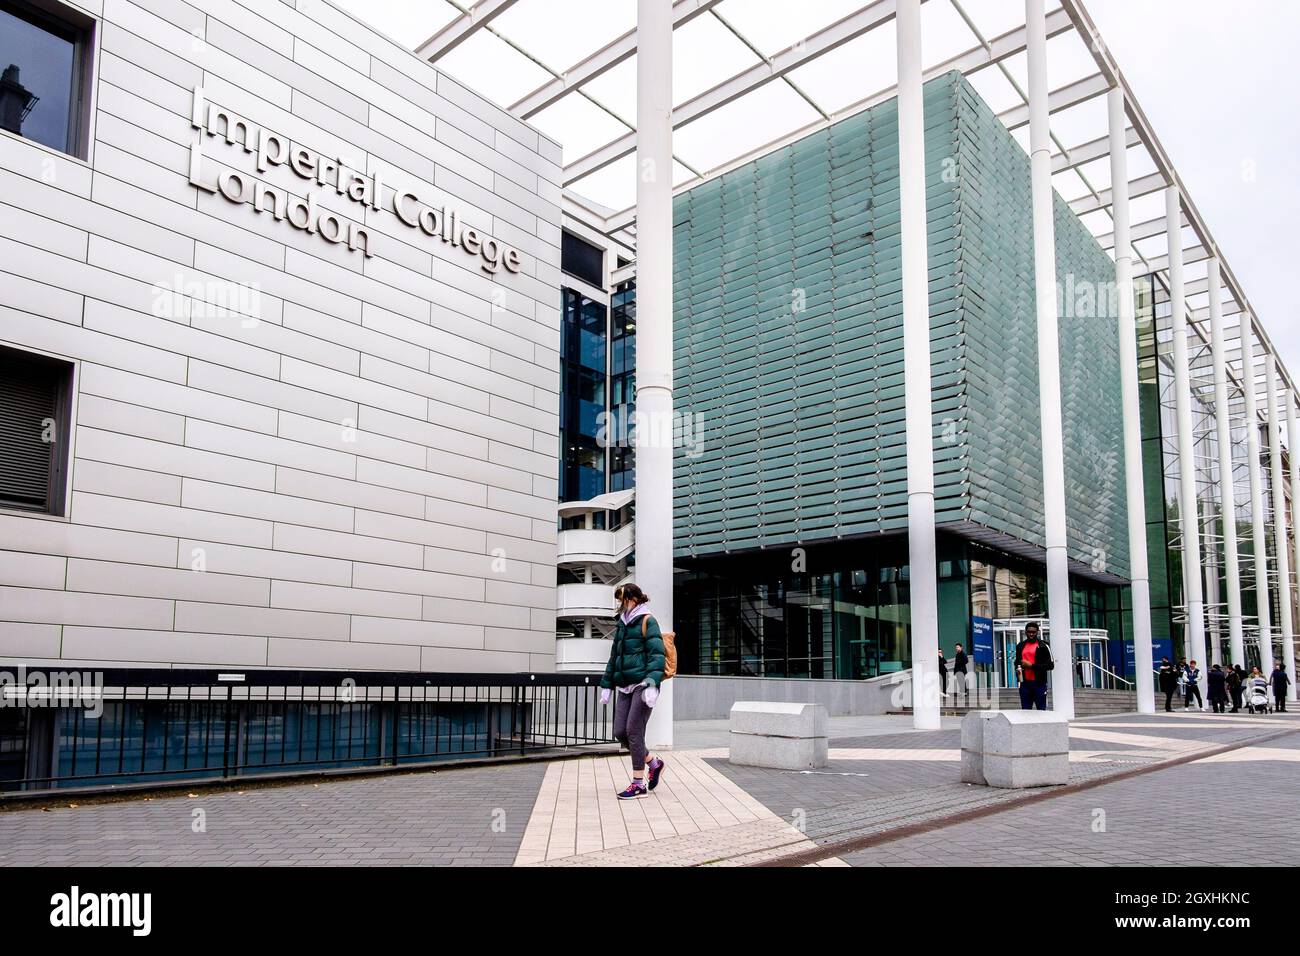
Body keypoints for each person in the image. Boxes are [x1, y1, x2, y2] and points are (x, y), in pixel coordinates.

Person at [598, 583, 666, 799]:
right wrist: (607, 685)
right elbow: (614, 657)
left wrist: (652, 683)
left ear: (634, 599)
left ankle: (638, 784)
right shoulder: (623, 624)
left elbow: (657, 655)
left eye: (623, 599)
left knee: (634, 731)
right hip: (625, 686)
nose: (621, 604)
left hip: (643, 685)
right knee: (620, 732)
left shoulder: (648, 621)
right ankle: (653, 764)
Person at [1013, 622, 1053, 711]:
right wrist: (1018, 668)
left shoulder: (1044, 646)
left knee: (1041, 711)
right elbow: (1017, 662)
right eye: (1029, 632)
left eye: (1033, 632)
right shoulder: (1020, 646)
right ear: (1025, 632)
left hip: (1039, 684)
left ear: (1037, 632)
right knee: (1025, 711)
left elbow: (1050, 665)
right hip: (1025, 684)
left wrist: (1031, 666)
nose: (1031, 634)